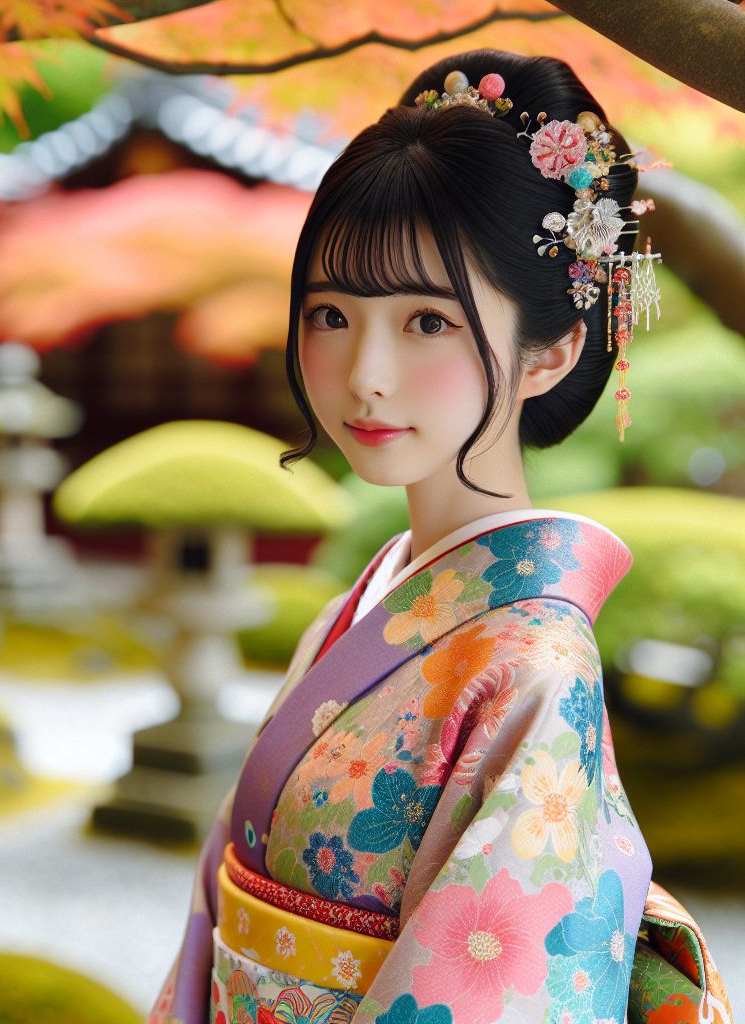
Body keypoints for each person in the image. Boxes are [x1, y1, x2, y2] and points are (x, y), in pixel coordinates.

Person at [150, 49, 731, 1024]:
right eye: (331, 313)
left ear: (550, 350)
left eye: (427, 321)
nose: (363, 372)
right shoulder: (369, 597)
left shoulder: (534, 663)